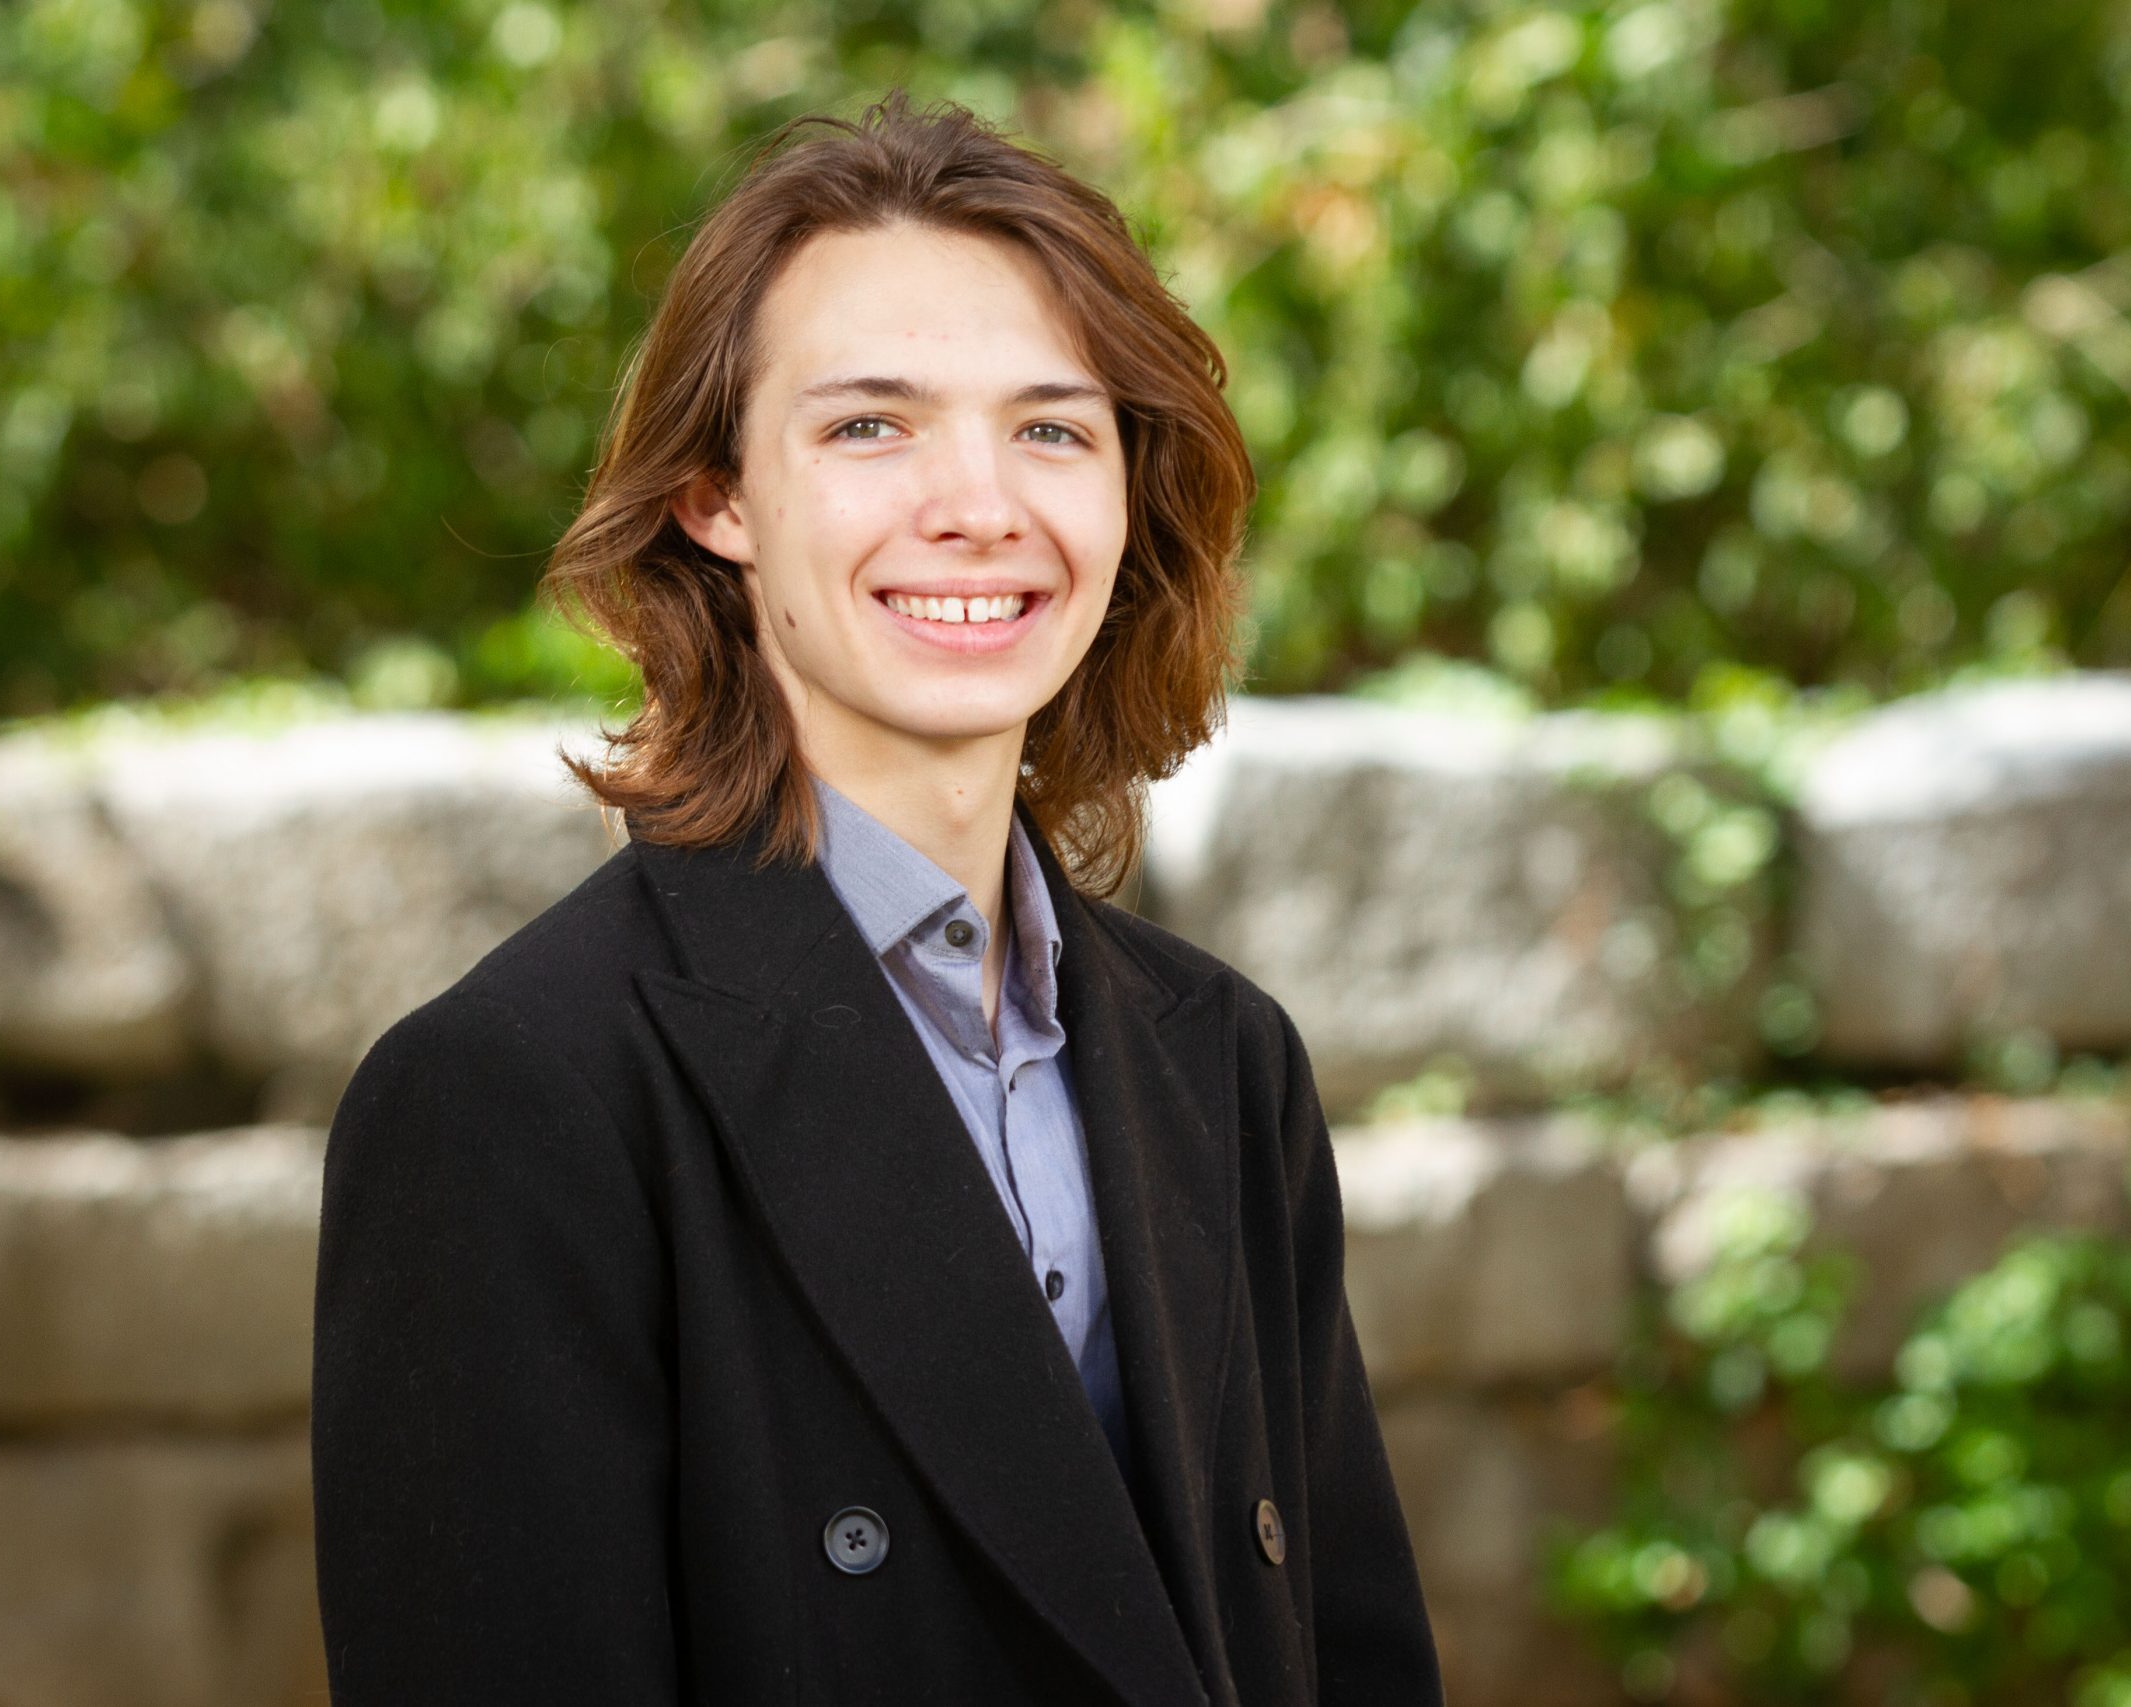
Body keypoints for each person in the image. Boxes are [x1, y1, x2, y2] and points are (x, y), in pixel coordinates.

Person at [310, 89, 1442, 1706]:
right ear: (720, 500)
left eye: (1052, 425)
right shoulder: (512, 1099)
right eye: (870, 426)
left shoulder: (1227, 1064)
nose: (980, 503)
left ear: (1130, 493)